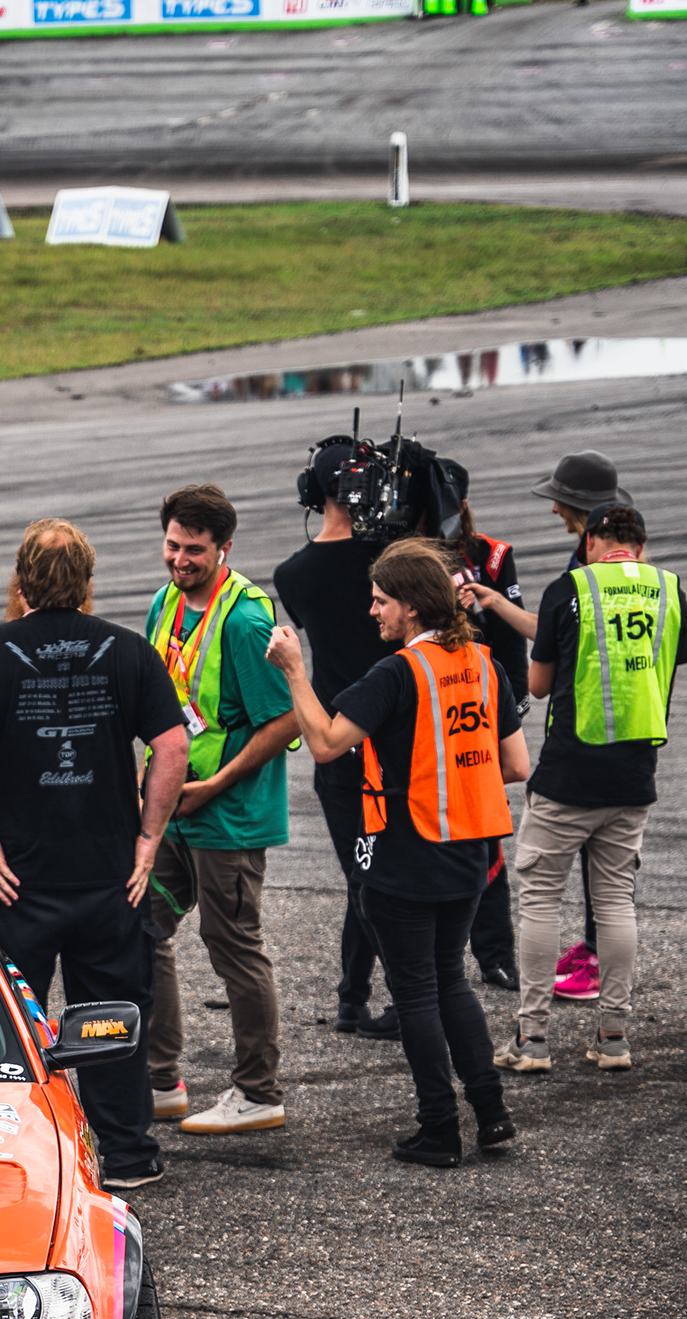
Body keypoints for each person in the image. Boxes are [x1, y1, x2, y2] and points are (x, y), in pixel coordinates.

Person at [0, 517, 189, 1192]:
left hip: (15, 881)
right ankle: (127, 1156)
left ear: (20, 581)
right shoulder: (129, 652)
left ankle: (2, 1159)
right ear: (87, 581)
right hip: (111, 879)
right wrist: (147, 841)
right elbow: (172, 746)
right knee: (110, 1019)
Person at [269, 540, 525, 1168]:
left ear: (411, 606)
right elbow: (516, 764)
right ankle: (492, 1114)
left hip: (405, 856)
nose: (373, 612)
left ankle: (439, 1128)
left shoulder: (396, 674)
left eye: (381, 600)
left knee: (415, 993)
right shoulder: (485, 663)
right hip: (469, 851)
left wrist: (296, 672)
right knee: (450, 980)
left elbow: (326, 744)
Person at [497, 501, 686, 1078]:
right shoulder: (671, 589)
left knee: (540, 898)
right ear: (641, 546)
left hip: (569, 774)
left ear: (590, 543)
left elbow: (538, 684)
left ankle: (532, 1039)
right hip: (635, 774)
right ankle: (614, 1037)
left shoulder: (570, 587)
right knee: (615, 902)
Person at [145, 484, 294, 1136]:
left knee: (233, 947)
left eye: (194, 550)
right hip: (172, 807)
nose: (180, 560)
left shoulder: (244, 621)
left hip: (226, 816)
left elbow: (285, 720)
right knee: (142, 927)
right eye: (173, 545)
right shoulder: (164, 602)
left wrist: (217, 783)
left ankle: (259, 1092)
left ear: (224, 548)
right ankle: (159, 1081)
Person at [470, 449, 635, 1003]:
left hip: (584, 733)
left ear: (582, 508)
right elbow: (557, 629)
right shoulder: (625, 568)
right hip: (630, 736)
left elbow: (545, 669)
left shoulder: (583, 572)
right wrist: (498, 603)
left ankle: (585, 969)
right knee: (608, 870)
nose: (553, 510)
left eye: (560, 500)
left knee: (548, 883)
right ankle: (598, 961)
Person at [273, 437, 400, 1042]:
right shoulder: (393, 561)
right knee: (382, 876)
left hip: (336, 732)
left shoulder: (292, 575)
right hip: (395, 733)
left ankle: (353, 997)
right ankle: (402, 993)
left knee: (360, 871)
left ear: (312, 493)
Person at [448, 494, 529, 990]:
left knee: (485, 831)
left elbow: (511, 634)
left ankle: (495, 953)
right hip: (426, 696)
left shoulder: (492, 555)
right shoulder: (403, 553)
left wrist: (514, 703)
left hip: (480, 705)